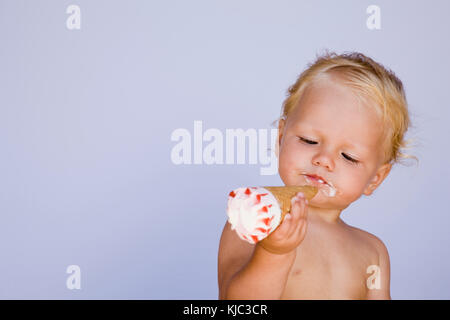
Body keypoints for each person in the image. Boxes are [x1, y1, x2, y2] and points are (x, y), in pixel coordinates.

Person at [217, 50, 418, 299]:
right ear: (281, 138)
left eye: (349, 157)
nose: (323, 160)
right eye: (309, 140)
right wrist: (273, 253)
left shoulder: (373, 252)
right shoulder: (254, 217)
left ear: (375, 179)